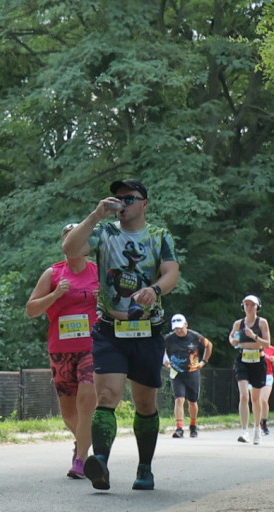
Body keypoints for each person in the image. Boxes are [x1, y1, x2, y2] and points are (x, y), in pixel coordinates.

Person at [62, 179, 179, 491]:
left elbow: (171, 272)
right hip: (110, 330)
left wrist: (154, 290)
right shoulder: (105, 232)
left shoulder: (159, 236)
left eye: (130, 199)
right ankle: (99, 462)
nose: (122, 203)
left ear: (144, 204)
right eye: (118, 198)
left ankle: (145, 467)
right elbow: (70, 249)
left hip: (147, 330)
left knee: (145, 403)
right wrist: (94, 216)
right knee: (106, 396)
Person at [25, 223, 98, 479]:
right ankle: (83, 442)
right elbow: (31, 309)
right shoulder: (53, 274)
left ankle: (81, 461)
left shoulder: (98, 273)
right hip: (61, 349)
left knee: (87, 401)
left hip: (92, 347)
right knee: (69, 413)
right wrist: (56, 294)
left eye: (78, 237)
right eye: (67, 238)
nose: (73, 242)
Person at [229, 295, 271, 444]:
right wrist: (234, 340)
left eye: (252, 305)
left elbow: (266, 344)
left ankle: (257, 429)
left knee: (255, 399)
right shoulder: (238, 323)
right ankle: (244, 431)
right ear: (243, 307)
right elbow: (232, 338)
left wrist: (253, 336)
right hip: (242, 361)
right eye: (246, 305)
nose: (249, 307)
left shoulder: (262, 323)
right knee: (243, 396)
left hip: (258, 361)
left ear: (257, 307)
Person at [162, 314, 212, 438]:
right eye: (175, 328)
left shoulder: (195, 337)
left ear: (186, 324)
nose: (178, 330)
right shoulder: (169, 338)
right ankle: (179, 428)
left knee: (192, 401)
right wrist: (165, 360)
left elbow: (208, 345)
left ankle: (193, 425)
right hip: (177, 372)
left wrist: (204, 361)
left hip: (192, 372)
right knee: (179, 399)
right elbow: (160, 349)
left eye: (180, 327)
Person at [253, 343, 274, 436]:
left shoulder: (272, 348)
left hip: (268, 375)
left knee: (263, 400)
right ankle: (257, 423)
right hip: (256, 374)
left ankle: (264, 423)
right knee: (256, 401)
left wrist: (273, 361)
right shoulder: (253, 347)